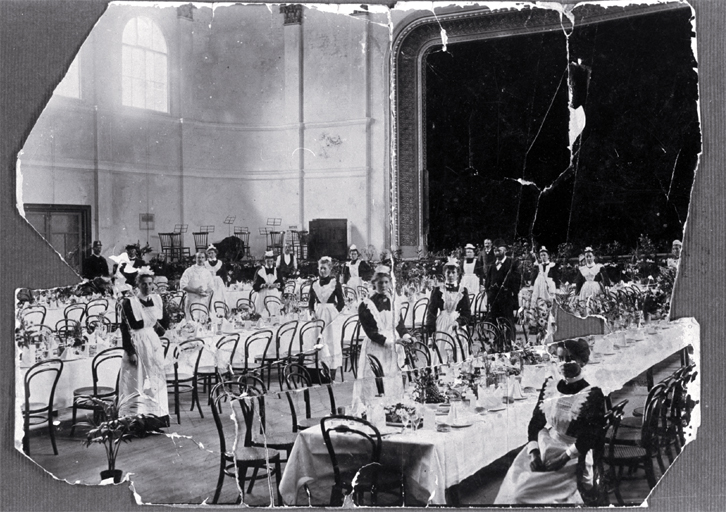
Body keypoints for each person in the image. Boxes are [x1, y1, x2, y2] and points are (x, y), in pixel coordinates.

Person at [494, 338, 605, 504]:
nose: (564, 364)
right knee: (514, 482)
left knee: (522, 495)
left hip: (573, 455)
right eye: (560, 359)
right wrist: (533, 453)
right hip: (546, 444)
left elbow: (590, 437)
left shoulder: (591, 394)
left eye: (570, 358)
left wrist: (563, 458)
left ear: (582, 361)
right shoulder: (550, 386)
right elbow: (536, 422)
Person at [118, 270, 170, 425]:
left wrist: (159, 331)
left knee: (154, 380)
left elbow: (164, 323)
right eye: (143, 284)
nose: (147, 287)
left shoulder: (157, 300)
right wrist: (130, 351)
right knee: (137, 381)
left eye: (149, 284)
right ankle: (136, 421)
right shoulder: (129, 303)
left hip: (153, 343)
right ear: (137, 285)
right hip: (137, 343)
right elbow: (124, 328)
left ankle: (155, 418)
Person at [354, 265, 409, 403]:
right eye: (380, 282)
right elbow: (370, 332)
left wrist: (406, 336)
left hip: (395, 346)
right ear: (374, 284)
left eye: (386, 282)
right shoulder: (366, 305)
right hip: (377, 346)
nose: (383, 285)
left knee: (394, 377)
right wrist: (389, 341)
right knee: (378, 379)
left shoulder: (394, 301)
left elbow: (399, 323)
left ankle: (395, 405)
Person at [426, 257, 471, 362]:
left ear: (458, 274)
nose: (450, 275)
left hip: (456, 325)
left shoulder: (463, 291)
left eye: (453, 272)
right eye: (448, 272)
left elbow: (467, 313)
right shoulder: (437, 290)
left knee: (458, 352)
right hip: (442, 324)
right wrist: (431, 333)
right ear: (444, 274)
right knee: (441, 354)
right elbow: (431, 312)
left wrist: (459, 322)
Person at [309, 256, 345, 380]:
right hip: (319, 314)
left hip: (331, 315)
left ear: (330, 270)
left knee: (331, 341)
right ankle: (318, 370)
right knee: (318, 341)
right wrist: (313, 313)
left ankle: (331, 370)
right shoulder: (314, 284)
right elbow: (310, 303)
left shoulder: (335, 283)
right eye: (320, 269)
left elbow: (341, 302)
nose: (322, 271)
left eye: (325, 269)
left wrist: (334, 313)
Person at [485, 239, 521, 343]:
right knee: (495, 322)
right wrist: (490, 291)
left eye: (499, 248)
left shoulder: (511, 264)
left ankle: (510, 343)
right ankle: (498, 343)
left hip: (507, 299)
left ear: (505, 250)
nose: (496, 250)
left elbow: (517, 281)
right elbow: (488, 282)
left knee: (508, 322)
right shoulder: (492, 265)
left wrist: (510, 290)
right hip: (494, 300)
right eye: (495, 249)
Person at [179, 251, 215, 320]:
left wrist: (205, 292)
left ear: (205, 259)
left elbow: (211, 286)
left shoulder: (207, 272)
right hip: (192, 299)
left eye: (202, 257)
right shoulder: (189, 271)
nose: (200, 259)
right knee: (191, 321)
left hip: (203, 300)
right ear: (195, 259)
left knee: (203, 321)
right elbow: (183, 285)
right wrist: (195, 291)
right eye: (198, 257)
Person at [253, 251, 282, 317]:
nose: (269, 263)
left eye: (271, 261)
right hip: (262, 295)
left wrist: (275, 285)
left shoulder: (276, 270)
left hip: (274, 295)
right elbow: (255, 285)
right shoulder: (260, 270)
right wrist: (263, 285)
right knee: (262, 314)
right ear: (265, 261)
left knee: (274, 313)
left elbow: (281, 284)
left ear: (273, 261)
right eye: (268, 261)